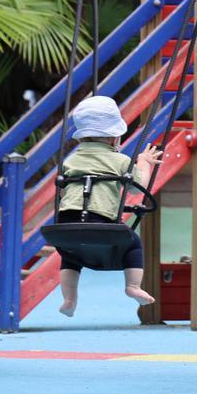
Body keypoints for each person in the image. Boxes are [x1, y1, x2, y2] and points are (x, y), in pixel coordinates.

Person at [55, 96, 162, 317]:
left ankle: (69, 299)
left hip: (66, 225)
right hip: (102, 223)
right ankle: (132, 286)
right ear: (115, 137)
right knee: (133, 243)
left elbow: (65, 189)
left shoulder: (69, 161)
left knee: (69, 256)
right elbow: (137, 187)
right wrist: (144, 162)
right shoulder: (120, 161)